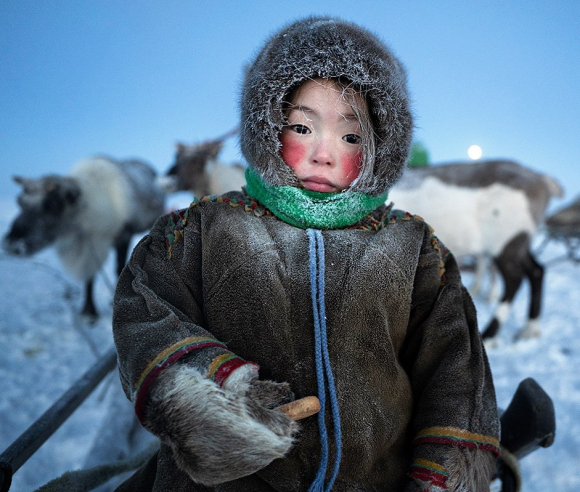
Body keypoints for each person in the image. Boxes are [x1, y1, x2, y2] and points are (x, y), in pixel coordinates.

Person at [112, 16, 500, 492]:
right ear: (267, 127)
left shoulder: (413, 249)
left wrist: (441, 472)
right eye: (302, 126)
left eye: (351, 136)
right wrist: (209, 392)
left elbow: (455, 368)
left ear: (383, 144)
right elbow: (146, 310)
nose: (324, 153)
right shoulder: (202, 231)